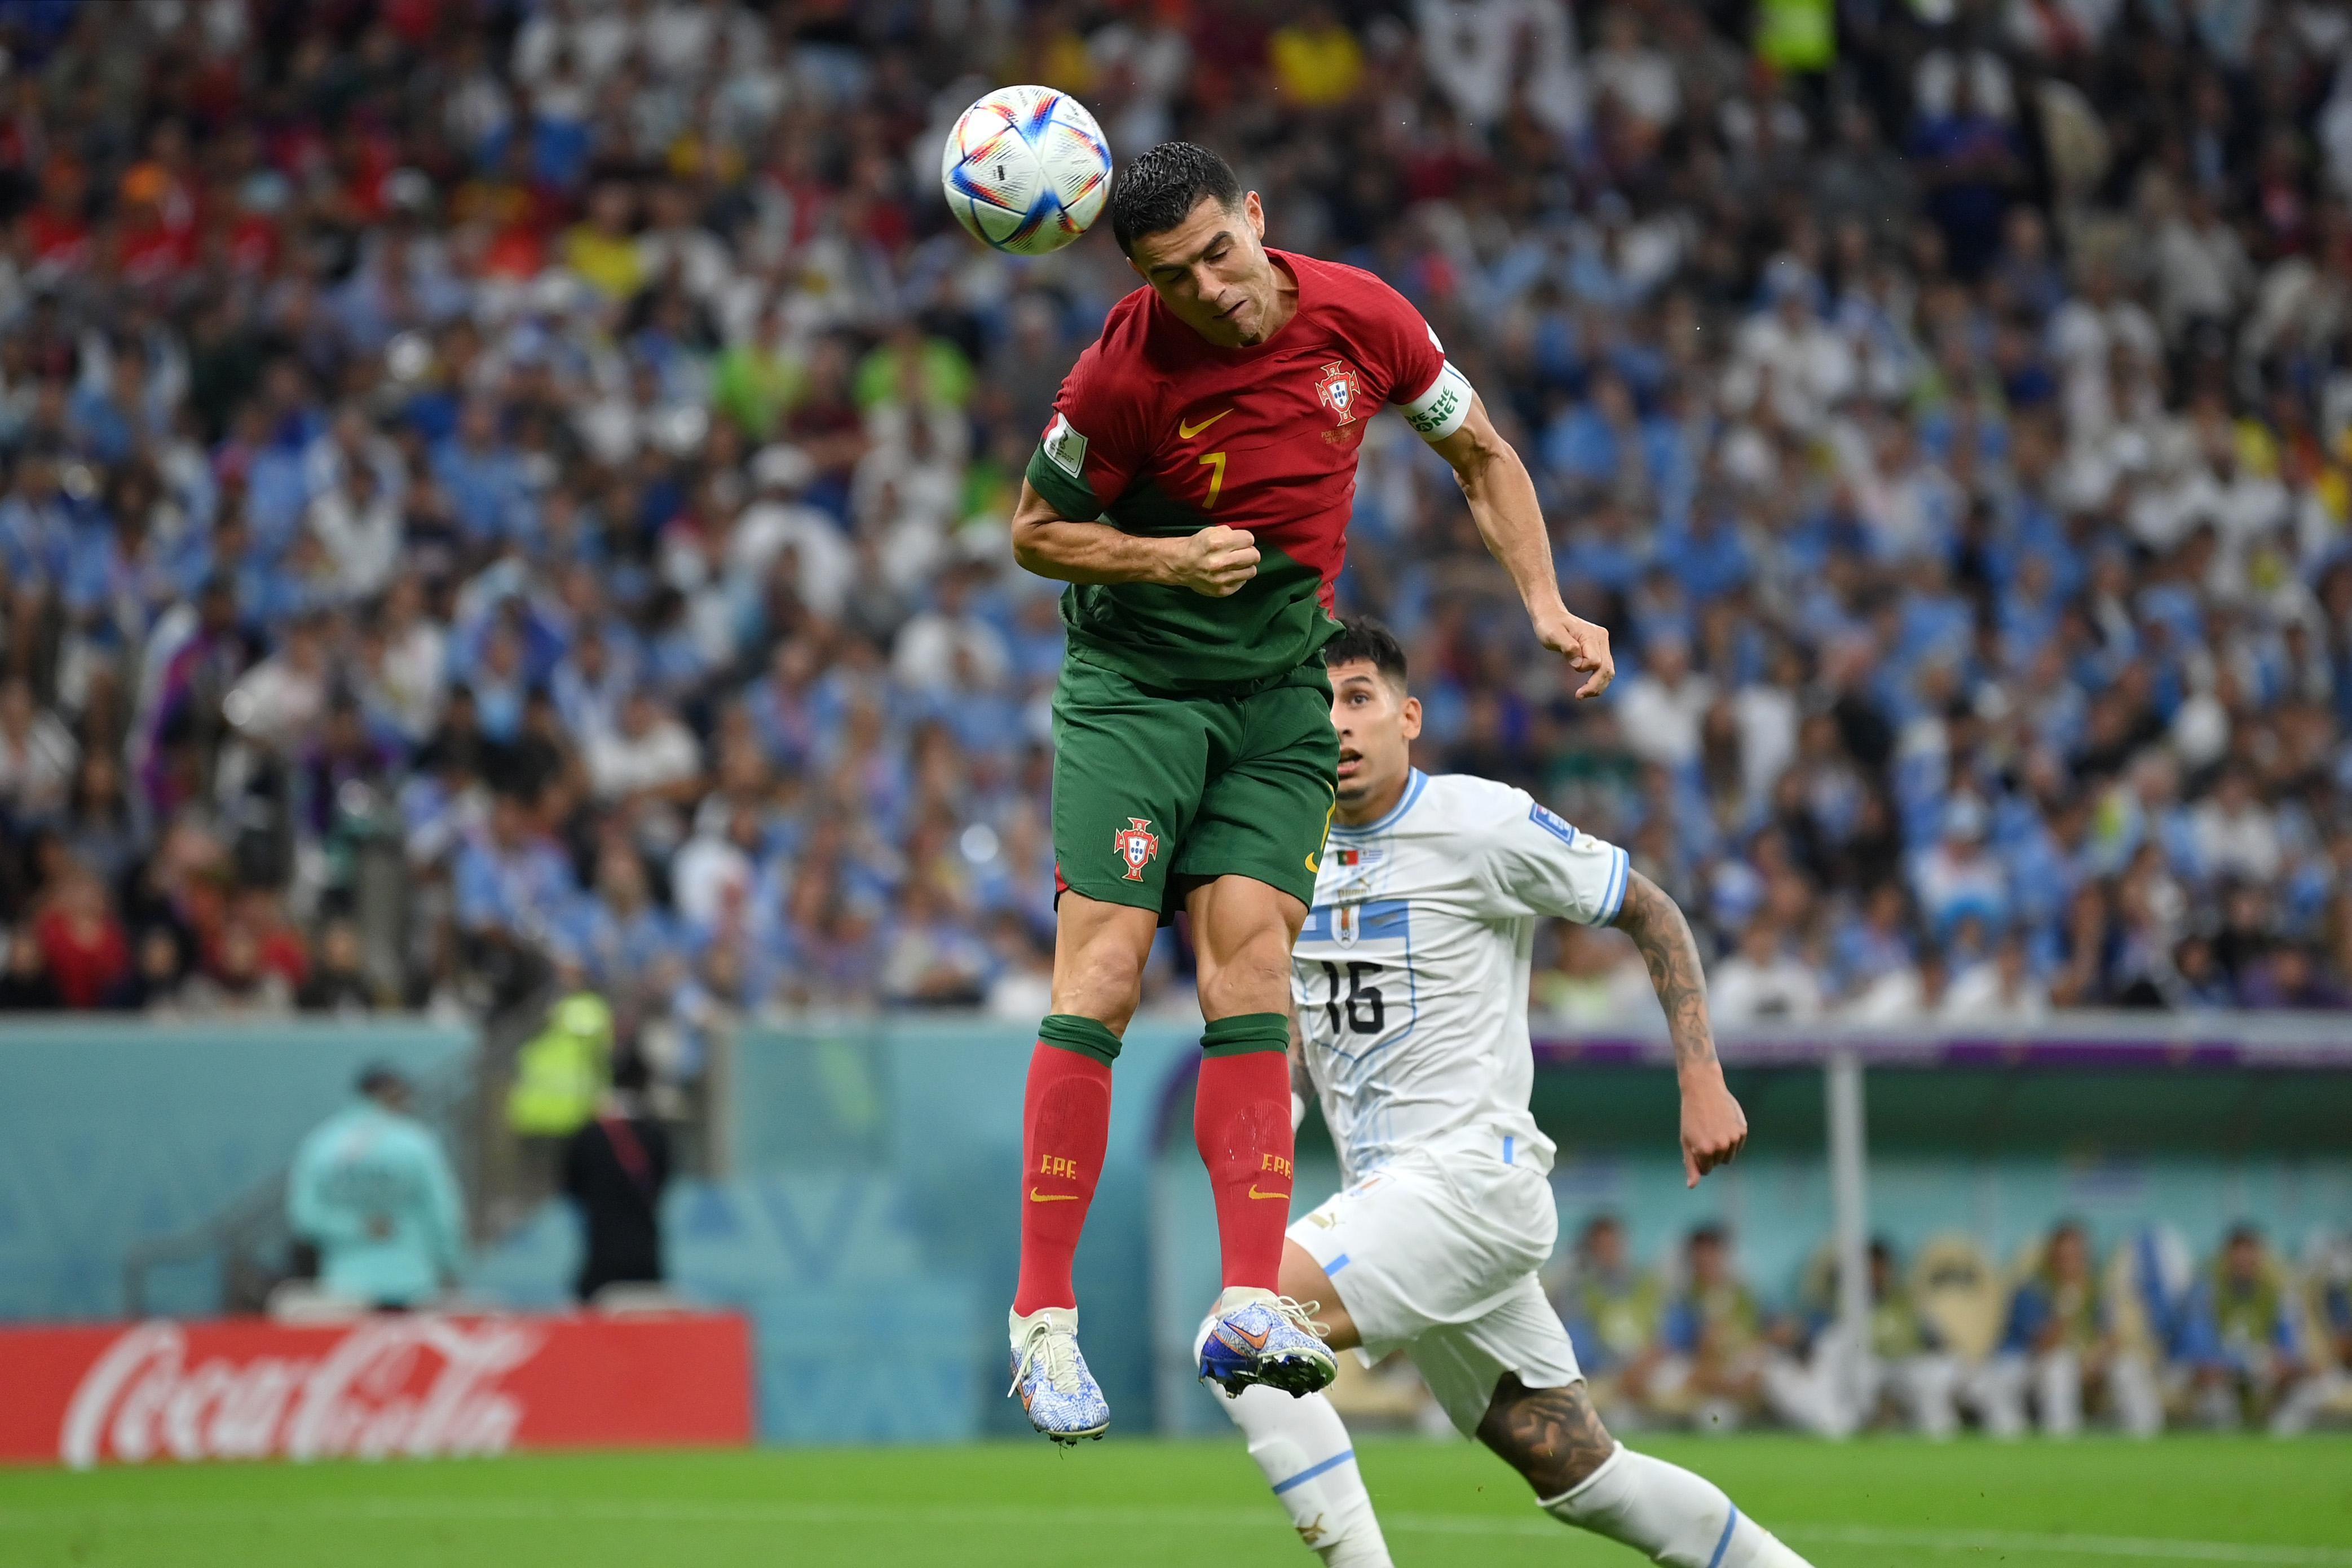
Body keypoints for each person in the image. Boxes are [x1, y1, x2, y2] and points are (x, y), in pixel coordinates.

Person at [1003, 143, 1617, 1442]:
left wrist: (1544, 604)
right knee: (1103, 971)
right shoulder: (1122, 369)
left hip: (1277, 685)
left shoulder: (1363, 316)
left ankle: (1247, 1299)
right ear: (1137, 276)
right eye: (1171, 274)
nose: (1207, 288)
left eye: (1218, 252)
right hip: (1136, 690)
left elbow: (1479, 452)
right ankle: (1043, 1325)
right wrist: (1162, 559)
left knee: (1248, 973)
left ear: (1256, 220)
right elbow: (1032, 532)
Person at [1209, 619, 1806, 1568]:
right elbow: (1288, 1015)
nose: (1337, 723)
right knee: (1585, 1478)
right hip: (1401, 1206)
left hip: (1469, 1185)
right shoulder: (1287, 856)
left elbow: (1648, 907)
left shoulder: (1477, 822)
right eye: (1316, 705)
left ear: (1407, 716)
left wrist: (1701, 1077)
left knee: (1243, 1334)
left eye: (1358, 698)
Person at [285, 1065, 465, 1310]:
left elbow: (305, 1217)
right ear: (393, 1095)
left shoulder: (322, 1144)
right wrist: (451, 1264)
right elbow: (442, 1213)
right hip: (413, 1279)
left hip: (346, 1282)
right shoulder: (416, 1143)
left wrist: (357, 1227)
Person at [561, 1051, 671, 1303]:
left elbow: (571, 1187)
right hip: (646, 1257)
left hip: (600, 1257)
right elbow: (662, 1184)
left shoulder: (587, 1137)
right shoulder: (656, 1136)